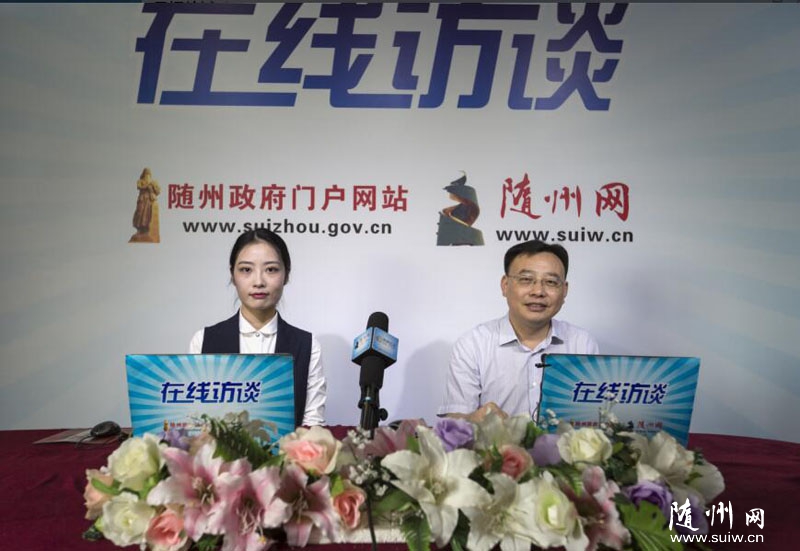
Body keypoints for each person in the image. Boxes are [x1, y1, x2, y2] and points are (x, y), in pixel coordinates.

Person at [438, 240, 598, 419]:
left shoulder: (581, 343)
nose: (538, 291)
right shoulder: (474, 345)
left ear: (565, 290)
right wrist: (476, 420)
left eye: (551, 282)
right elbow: (454, 422)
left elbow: (594, 416)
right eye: (526, 280)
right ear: (505, 285)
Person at [190, 229, 326, 427]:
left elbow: (313, 424)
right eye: (246, 270)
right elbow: (195, 418)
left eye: (271, 269)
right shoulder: (203, 340)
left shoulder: (307, 345)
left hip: (289, 448)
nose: (259, 282)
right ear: (232, 275)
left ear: (286, 275)